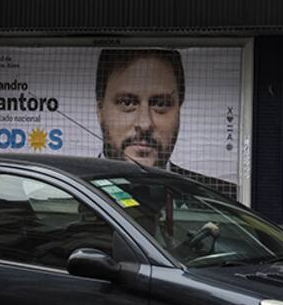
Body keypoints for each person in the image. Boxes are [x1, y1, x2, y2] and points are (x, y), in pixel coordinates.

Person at [95, 48, 237, 198]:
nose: (145, 124)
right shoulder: (70, 190)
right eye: (127, 102)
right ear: (99, 110)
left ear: (179, 110)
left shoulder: (222, 199)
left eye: (161, 104)